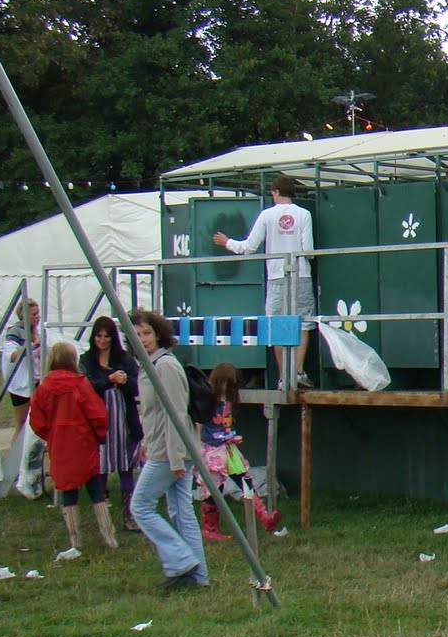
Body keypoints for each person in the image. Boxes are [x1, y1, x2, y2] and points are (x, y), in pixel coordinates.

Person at [127, 310, 208, 589]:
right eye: (136, 335)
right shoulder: (149, 365)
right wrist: (147, 443)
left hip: (172, 451)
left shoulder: (164, 366)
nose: (142, 339)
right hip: (167, 448)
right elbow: (152, 413)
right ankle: (198, 577)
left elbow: (174, 414)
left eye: (147, 333)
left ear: (159, 334)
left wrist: (174, 458)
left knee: (140, 506)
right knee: (181, 511)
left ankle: (181, 561)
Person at [212, 174, 316, 388]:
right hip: (301, 274)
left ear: (276, 192)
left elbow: (249, 247)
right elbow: (309, 251)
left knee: (277, 325)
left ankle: (283, 377)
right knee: (303, 324)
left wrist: (227, 242)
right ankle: (298, 372)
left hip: (277, 276)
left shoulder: (267, 215)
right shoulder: (304, 214)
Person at [28, 342, 113, 549]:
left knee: (68, 492)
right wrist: (97, 435)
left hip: (60, 445)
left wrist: (51, 435)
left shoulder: (44, 388)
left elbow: (36, 420)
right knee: (96, 491)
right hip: (83, 443)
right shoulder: (80, 384)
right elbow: (98, 414)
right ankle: (109, 537)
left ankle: (75, 540)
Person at [196, 362, 282, 540]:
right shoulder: (208, 400)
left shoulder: (229, 400)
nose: (227, 387)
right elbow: (199, 423)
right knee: (214, 490)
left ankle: (264, 517)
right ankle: (209, 528)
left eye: (231, 384)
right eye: (225, 383)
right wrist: (197, 447)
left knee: (245, 480)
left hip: (229, 448)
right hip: (212, 450)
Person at [80, 316, 144, 532]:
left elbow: (137, 386)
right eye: (98, 336)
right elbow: (85, 387)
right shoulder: (87, 360)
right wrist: (109, 380)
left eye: (106, 336)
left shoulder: (124, 359)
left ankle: (129, 515)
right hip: (98, 423)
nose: (102, 340)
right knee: (100, 469)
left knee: (127, 468)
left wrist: (124, 381)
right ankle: (103, 519)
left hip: (124, 422)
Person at [0, 297, 41, 444]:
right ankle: (15, 455)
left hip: (36, 379)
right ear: (24, 316)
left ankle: (33, 452)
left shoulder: (37, 331)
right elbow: (12, 356)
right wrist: (32, 346)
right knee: (21, 422)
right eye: (33, 314)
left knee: (39, 420)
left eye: (38, 314)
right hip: (20, 383)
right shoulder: (15, 331)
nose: (37, 317)